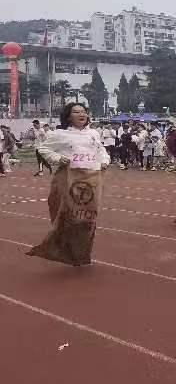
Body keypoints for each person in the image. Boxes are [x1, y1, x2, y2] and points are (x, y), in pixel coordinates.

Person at [26, 103, 109, 266]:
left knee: (87, 218)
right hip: (68, 178)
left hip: (90, 180)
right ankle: (59, 248)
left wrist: (105, 160)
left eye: (84, 111)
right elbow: (43, 149)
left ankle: (81, 254)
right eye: (76, 112)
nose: (81, 114)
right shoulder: (61, 134)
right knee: (68, 215)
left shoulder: (93, 133)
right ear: (68, 117)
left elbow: (101, 151)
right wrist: (58, 158)